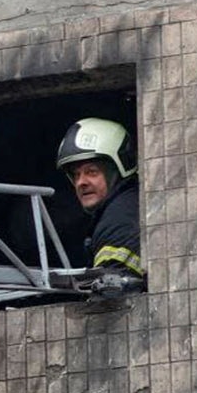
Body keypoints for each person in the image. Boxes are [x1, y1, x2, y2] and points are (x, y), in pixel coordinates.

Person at [55, 117, 144, 297]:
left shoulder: (119, 218)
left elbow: (111, 299)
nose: (81, 182)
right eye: (76, 175)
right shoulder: (126, 206)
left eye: (91, 172)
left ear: (118, 168)